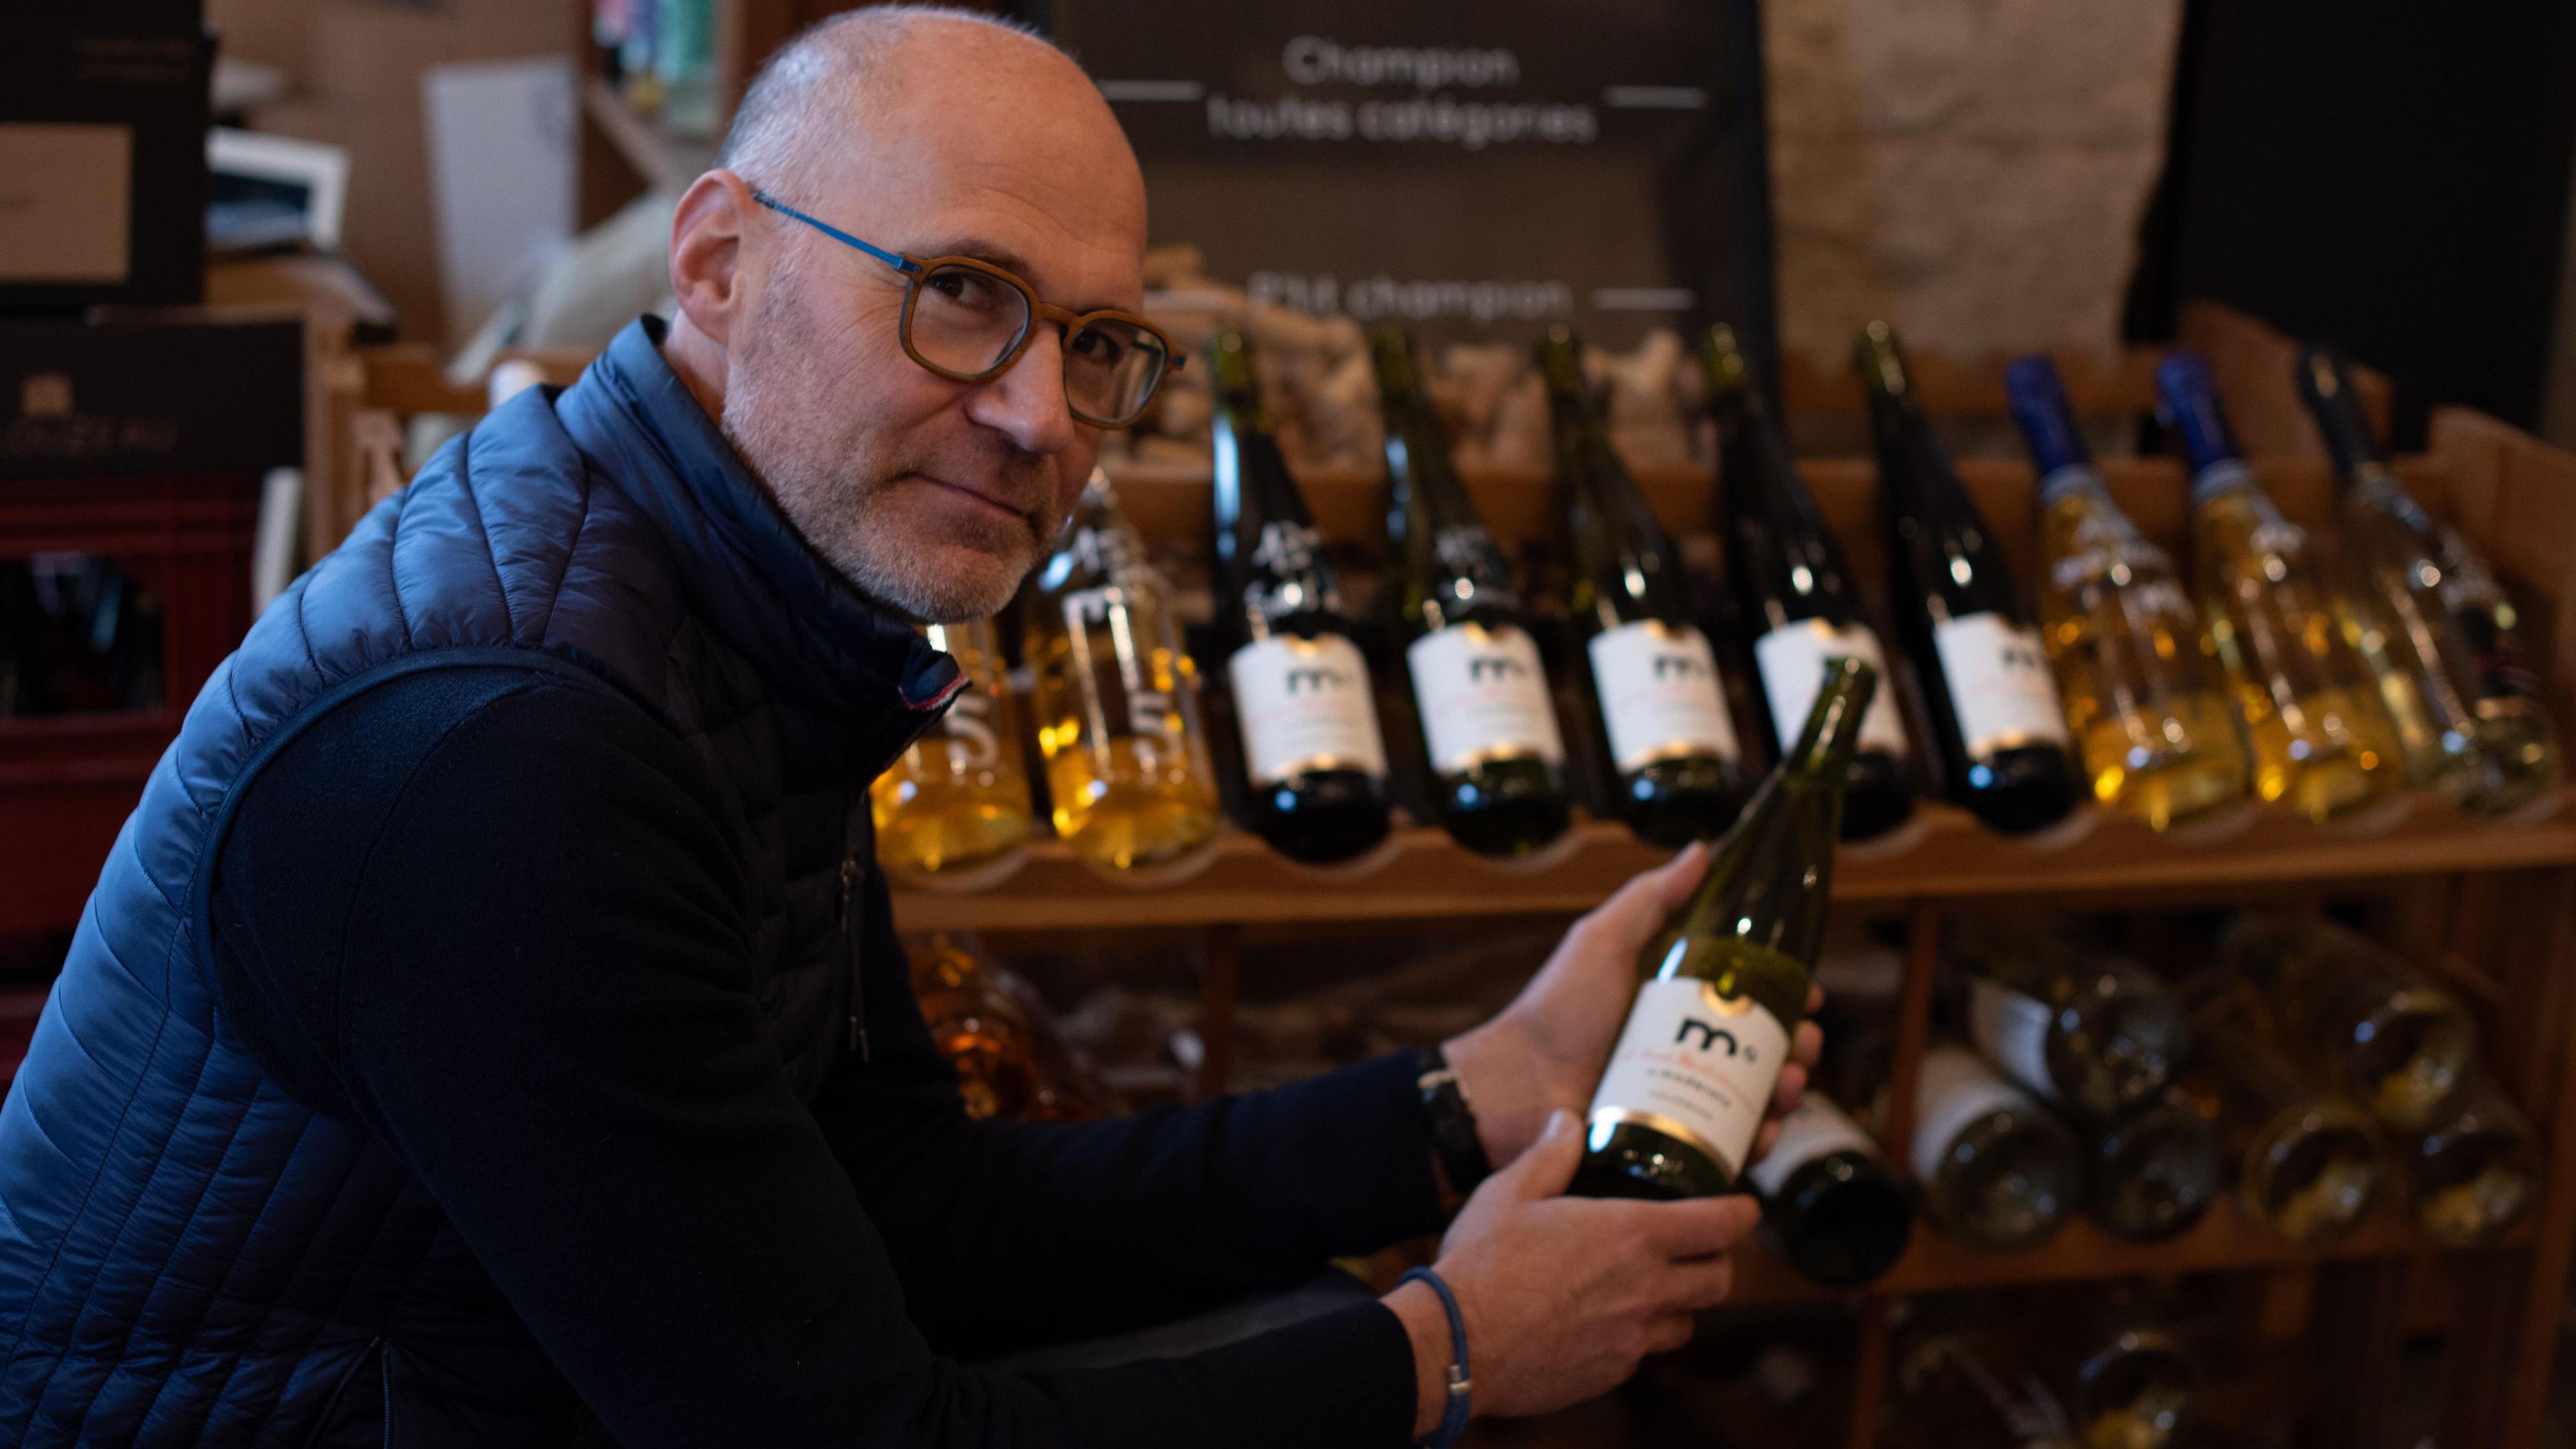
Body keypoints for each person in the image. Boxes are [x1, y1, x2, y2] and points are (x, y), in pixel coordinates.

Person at [0, 9, 1819, 1446]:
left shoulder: (735, 589)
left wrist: (1453, 1105)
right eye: (963, 295)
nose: (1042, 414)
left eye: (1100, 342)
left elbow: (906, 1208)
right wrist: (1446, 1349)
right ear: (718, 263)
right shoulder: (520, 756)